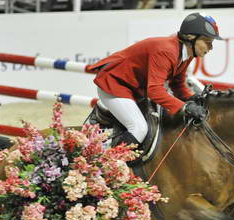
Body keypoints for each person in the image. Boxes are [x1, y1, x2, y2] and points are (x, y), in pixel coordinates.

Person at [86, 12, 222, 146]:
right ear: (190, 37)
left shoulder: (188, 53)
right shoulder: (167, 51)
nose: (211, 48)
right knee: (139, 129)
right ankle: (112, 163)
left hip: (134, 89)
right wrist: (185, 107)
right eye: (207, 42)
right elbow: (154, 91)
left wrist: (192, 98)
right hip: (114, 84)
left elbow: (178, 84)